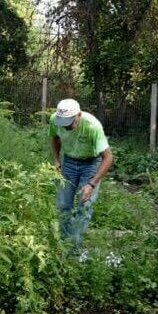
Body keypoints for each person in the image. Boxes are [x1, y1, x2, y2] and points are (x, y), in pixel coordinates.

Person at [48, 98, 113, 250]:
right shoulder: (54, 120)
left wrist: (92, 183)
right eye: (63, 122)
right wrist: (57, 160)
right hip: (69, 162)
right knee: (63, 205)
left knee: (84, 207)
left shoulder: (92, 126)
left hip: (90, 164)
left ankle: (73, 248)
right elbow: (55, 138)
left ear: (79, 115)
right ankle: (63, 245)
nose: (65, 126)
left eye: (69, 122)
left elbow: (108, 157)